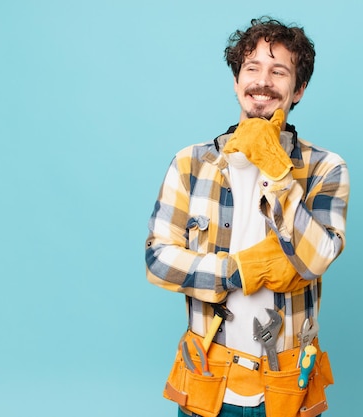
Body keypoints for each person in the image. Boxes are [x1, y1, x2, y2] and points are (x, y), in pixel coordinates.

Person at [145, 16, 350, 417]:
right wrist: (236, 272)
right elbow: (157, 261)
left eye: (279, 71)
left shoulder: (326, 169)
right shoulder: (191, 163)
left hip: (288, 386)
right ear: (237, 81)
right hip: (208, 381)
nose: (262, 81)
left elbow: (318, 258)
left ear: (299, 90)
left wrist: (277, 172)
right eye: (251, 68)